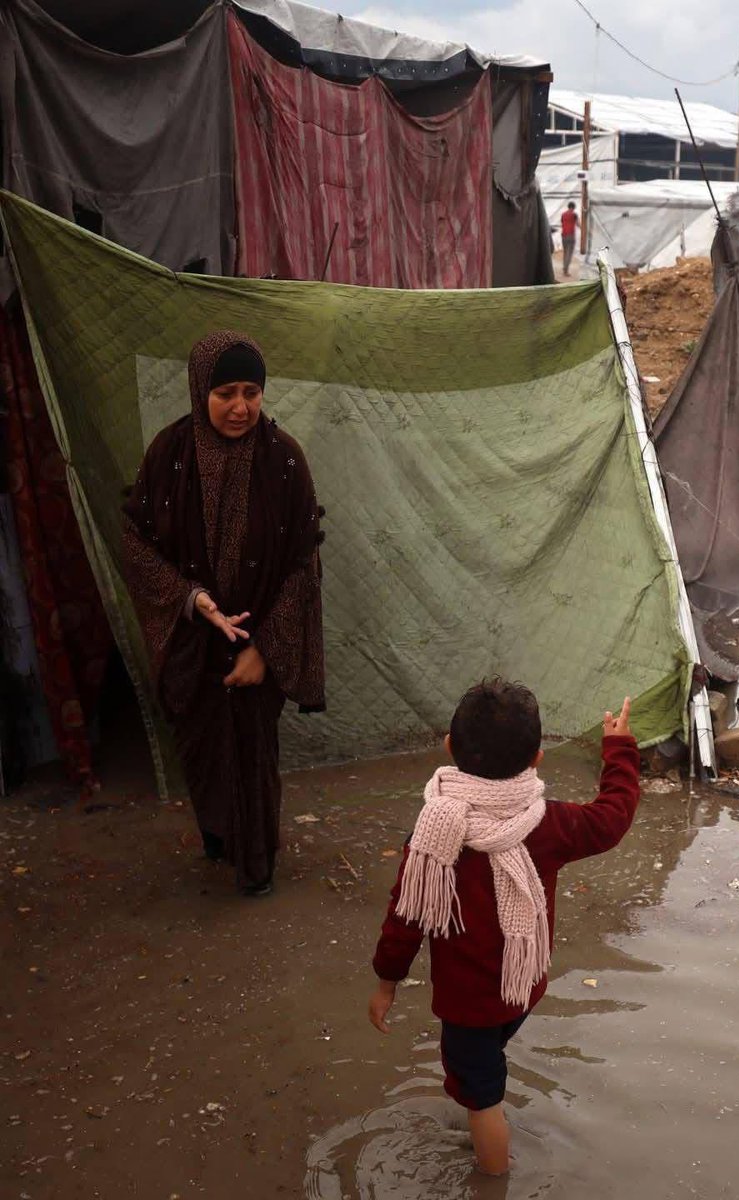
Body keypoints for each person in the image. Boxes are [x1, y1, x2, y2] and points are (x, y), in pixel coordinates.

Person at [368, 679, 640, 1176]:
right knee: (485, 1070)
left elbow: (405, 916)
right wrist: (617, 749)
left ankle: (494, 1180)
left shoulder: (433, 831)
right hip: (523, 988)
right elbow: (613, 817)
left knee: (482, 1102)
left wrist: (387, 981)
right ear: (537, 758)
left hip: (467, 1007)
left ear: (450, 748)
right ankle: (486, 1091)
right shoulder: (550, 823)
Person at [121, 331, 325, 895]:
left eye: (252, 392)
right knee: (206, 751)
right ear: (200, 391)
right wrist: (191, 599)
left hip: (261, 638)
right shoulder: (169, 455)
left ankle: (255, 867)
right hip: (193, 642)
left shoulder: (285, 462)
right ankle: (217, 837)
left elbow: (303, 564)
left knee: (254, 757)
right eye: (226, 392)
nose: (241, 407)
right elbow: (136, 543)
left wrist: (265, 647)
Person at [560, 201, 578, 276]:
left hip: (563, 235)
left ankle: (564, 266)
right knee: (569, 253)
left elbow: (562, 222)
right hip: (570, 235)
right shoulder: (574, 215)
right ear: (573, 207)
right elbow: (578, 224)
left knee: (565, 252)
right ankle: (566, 270)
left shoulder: (563, 214)